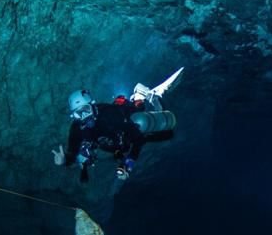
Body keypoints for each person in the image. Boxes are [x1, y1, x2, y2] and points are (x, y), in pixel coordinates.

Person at [52, 68, 182, 183]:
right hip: (117, 143)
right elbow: (72, 153)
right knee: (158, 135)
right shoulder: (77, 128)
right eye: (78, 113)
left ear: (92, 105)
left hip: (126, 122)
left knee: (161, 131)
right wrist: (64, 161)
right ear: (74, 116)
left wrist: (129, 164)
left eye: (85, 110)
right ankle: (138, 98)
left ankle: (146, 96)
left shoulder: (109, 115)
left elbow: (139, 140)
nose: (84, 116)